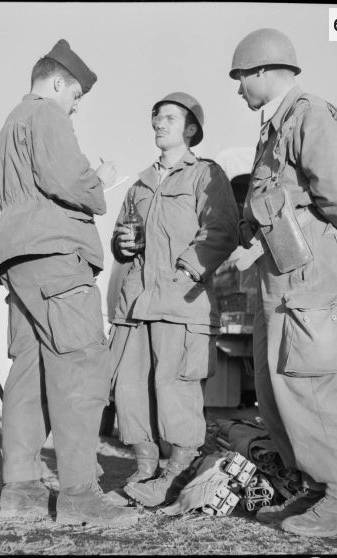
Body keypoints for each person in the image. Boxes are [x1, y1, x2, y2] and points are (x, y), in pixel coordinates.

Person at [0, 39, 138, 527]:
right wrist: (100, 180)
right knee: (79, 367)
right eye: (75, 95)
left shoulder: (10, 123)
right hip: (55, 255)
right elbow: (68, 182)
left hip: (19, 257)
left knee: (29, 372)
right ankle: (79, 496)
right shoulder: (48, 115)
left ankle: (22, 491)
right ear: (57, 84)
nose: (76, 106)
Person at [228, 28, 337, 537]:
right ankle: (315, 484)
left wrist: (310, 237)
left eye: (241, 77)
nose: (238, 88)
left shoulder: (311, 115)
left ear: (263, 71)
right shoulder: (276, 127)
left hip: (308, 277)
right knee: (276, 388)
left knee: (312, 382)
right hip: (279, 278)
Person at [109, 92, 240, 507]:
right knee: (131, 389)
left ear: (189, 129)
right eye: (156, 118)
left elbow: (221, 230)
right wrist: (123, 243)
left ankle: (177, 472)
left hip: (182, 303)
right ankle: (146, 468)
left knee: (175, 390)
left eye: (169, 117)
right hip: (136, 304)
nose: (159, 124)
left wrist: (185, 268)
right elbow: (119, 235)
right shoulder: (141, 183)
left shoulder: (205, 175)